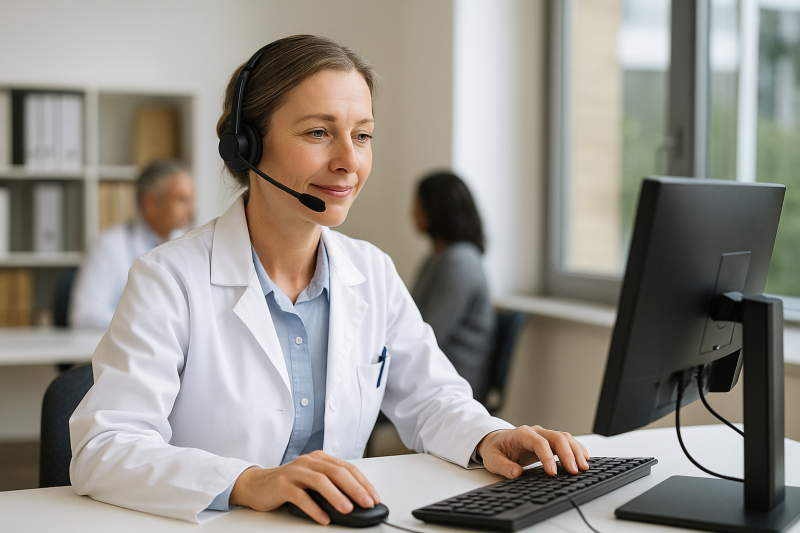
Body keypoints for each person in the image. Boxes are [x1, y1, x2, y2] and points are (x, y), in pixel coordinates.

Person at [69, 35, 589, 525]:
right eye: (318, 133)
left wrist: (489, 437)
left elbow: (432, 399)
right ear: (246, 146)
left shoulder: (372, 272)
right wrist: (248, 481)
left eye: (362, 135)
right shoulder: (168, 278)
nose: (349, 161)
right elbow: (103, 448)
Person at [68, 160, 195, 329]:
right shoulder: (109, 246)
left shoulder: (189, 246)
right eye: (181, 200)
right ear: (151, 202)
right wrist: (151, 324)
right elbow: (84, 316)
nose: (191, 211)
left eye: (191, 201)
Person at [411, 171, 495, 402]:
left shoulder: (459, 262)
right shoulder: (437, 259)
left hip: (454, 382)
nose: (412, 212)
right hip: (433, 373)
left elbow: (429, 333)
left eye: (418, 204)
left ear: (435, 209)